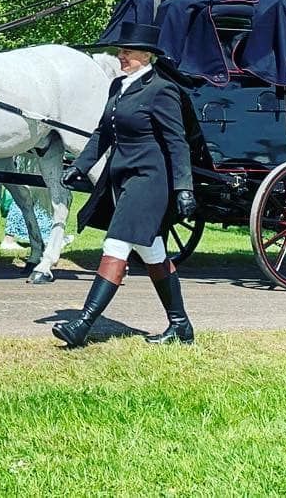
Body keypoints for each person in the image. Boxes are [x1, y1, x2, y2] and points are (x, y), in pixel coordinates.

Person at [56, 22, 198, 348]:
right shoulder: (119, 87)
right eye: (121, 51)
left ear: (146, 55)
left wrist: (184, 188)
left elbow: (177, 144)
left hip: (150, 181)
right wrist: (79, 167)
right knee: (152, 251)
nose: (121, 56)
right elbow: (102, 134)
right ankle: (181, 326)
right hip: (122, 180)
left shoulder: (162, 90)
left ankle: (82, 324)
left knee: (116, 245)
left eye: (128, 52)